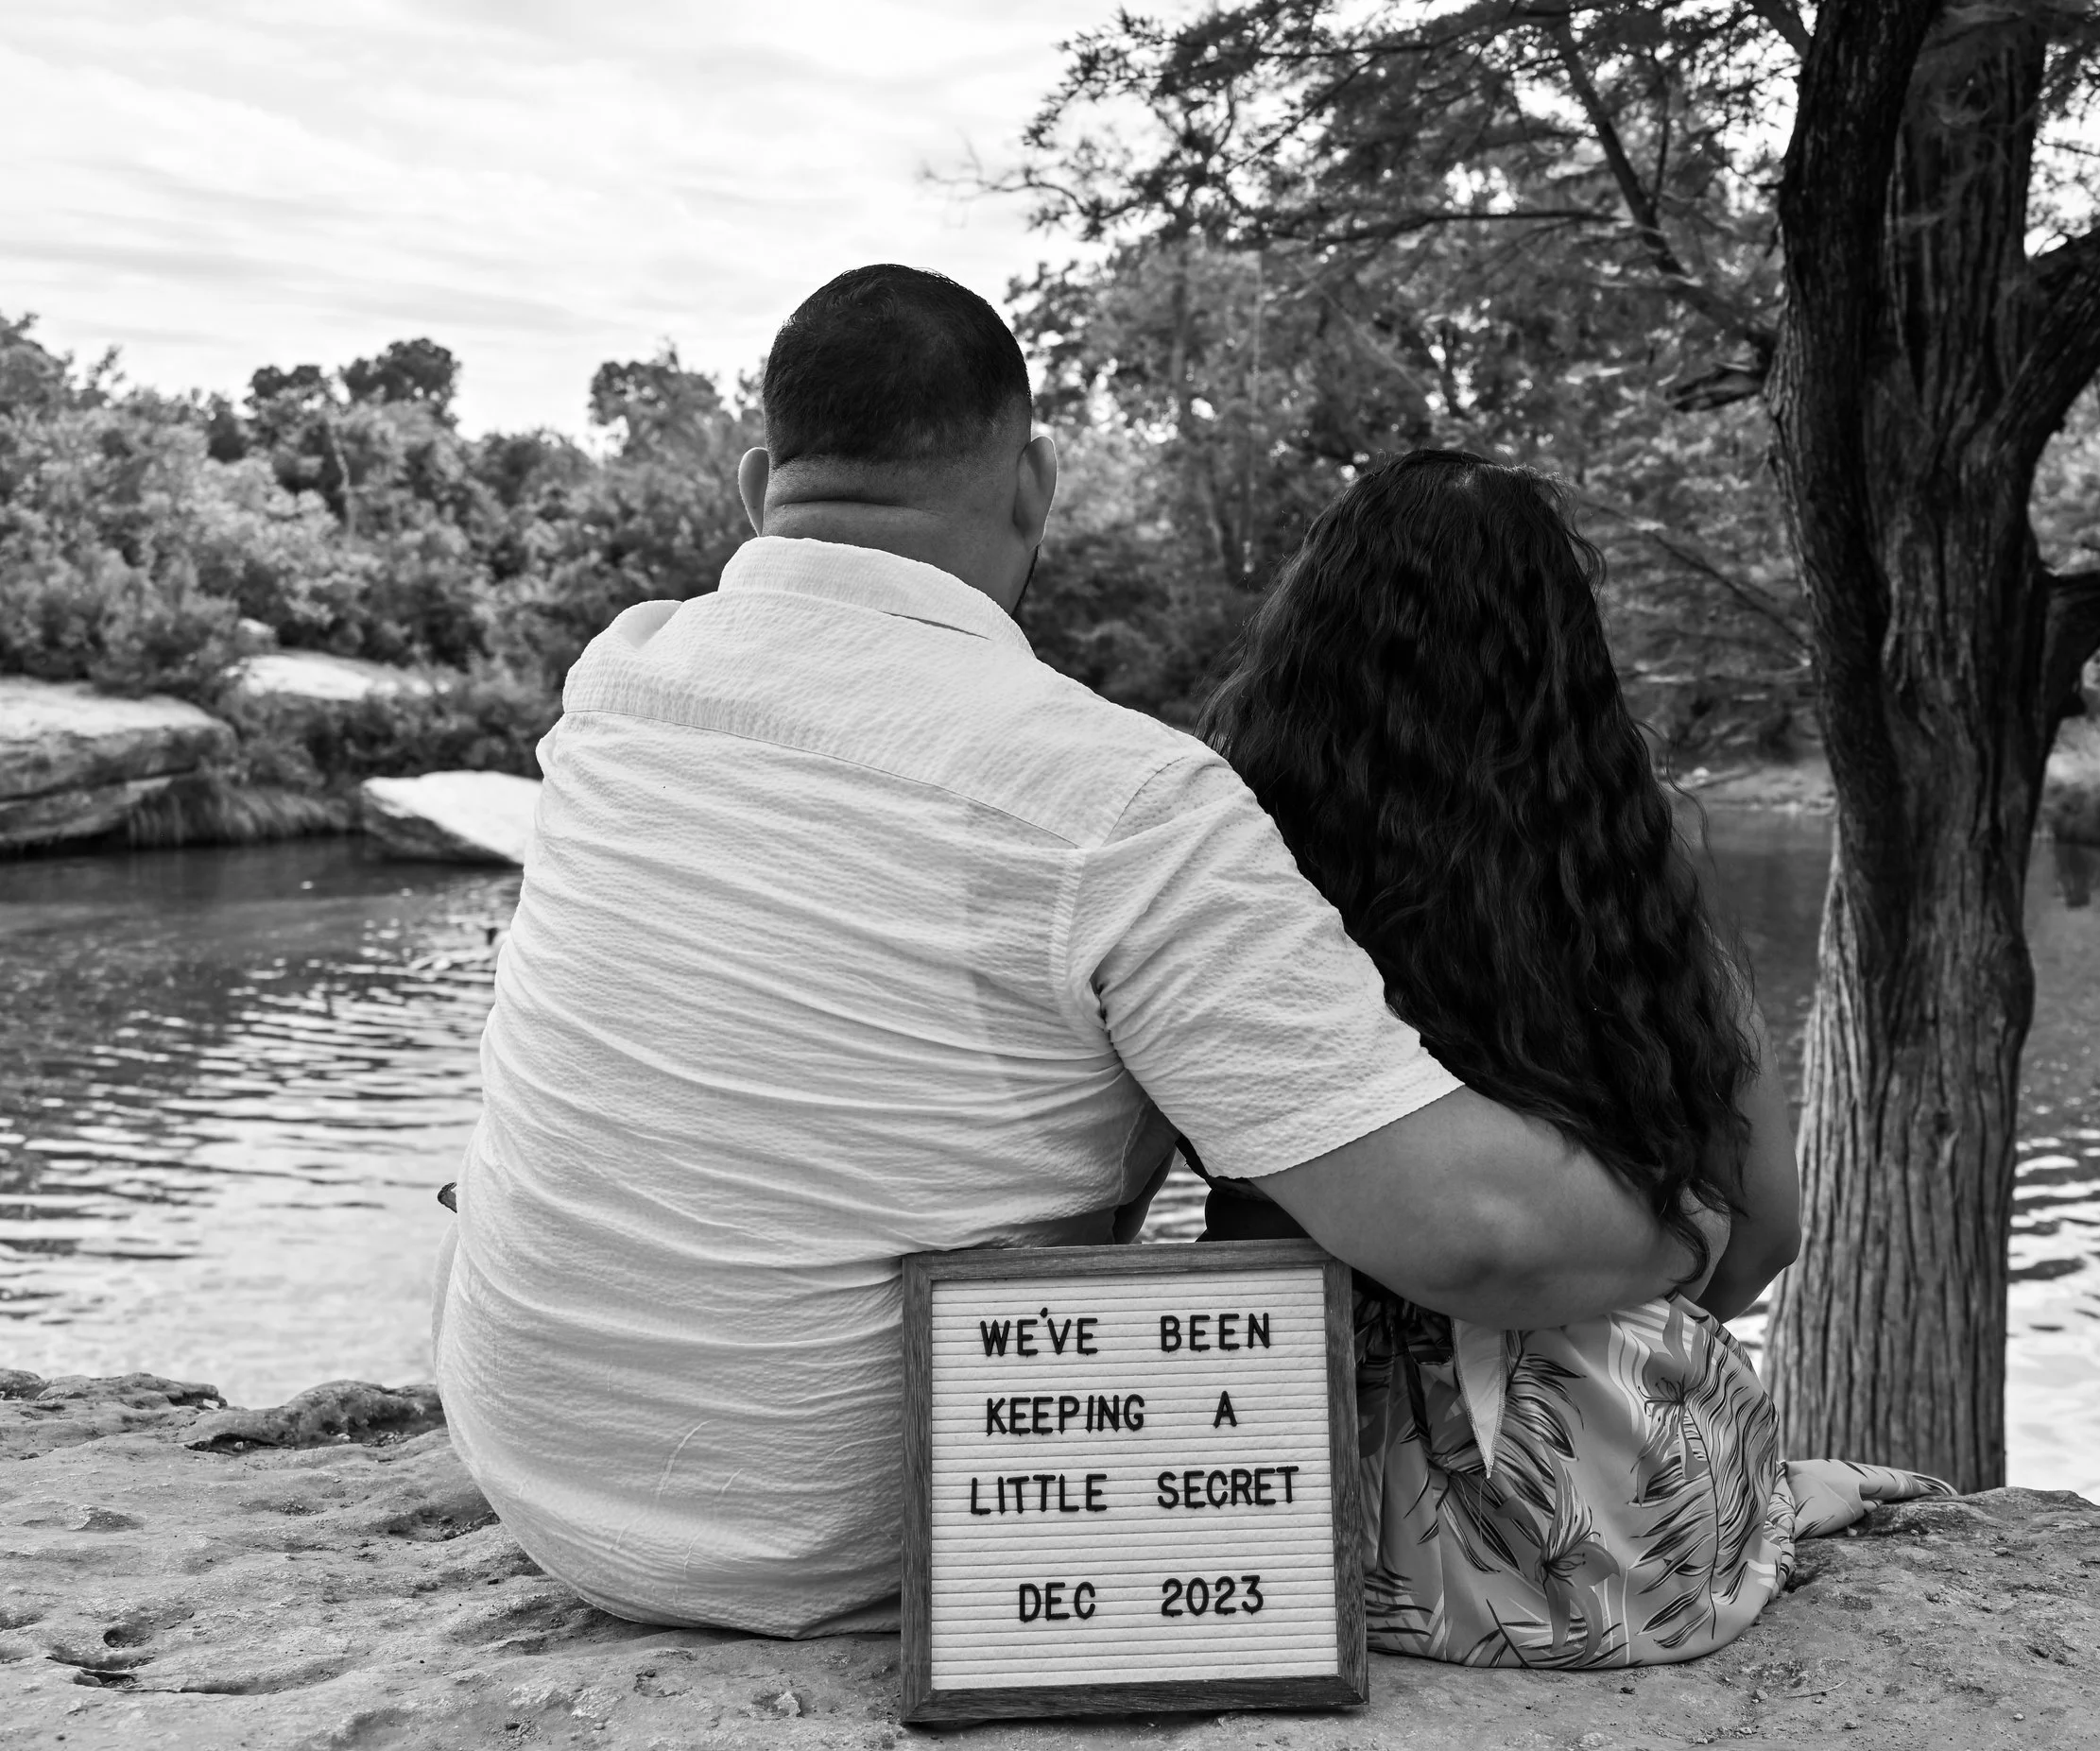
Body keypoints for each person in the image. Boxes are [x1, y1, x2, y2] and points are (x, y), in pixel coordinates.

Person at [432, 268, 1716, 1639]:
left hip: (532, 1469)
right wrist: (1686, 1220)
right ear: (1037, 484)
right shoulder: (1117, 796)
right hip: (854, 1538)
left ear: (760, 486)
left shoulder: (621, 678)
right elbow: (1472, 1236)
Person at [1194, 450, 1948, 1669]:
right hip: (1630, 1521)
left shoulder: (1229, 861)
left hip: (1280, 1495)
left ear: (1302, 641)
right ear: (1568, 663)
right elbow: (1766, 1231)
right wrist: (1599, 1304)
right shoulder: (1635, 875)